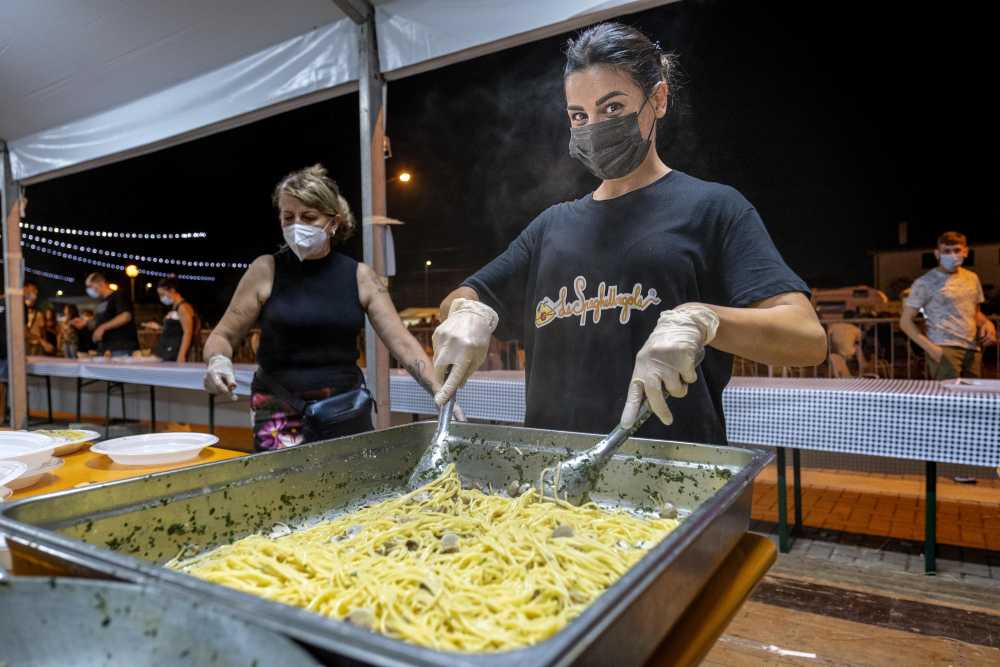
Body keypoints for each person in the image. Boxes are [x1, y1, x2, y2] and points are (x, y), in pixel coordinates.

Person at [432, 23, 826, 444]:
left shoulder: (714, 208)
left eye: (613, 108)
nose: (594, 127)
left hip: (671, 475)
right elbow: (465, 298)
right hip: (551, 479)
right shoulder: (551, 227)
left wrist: (704, 321)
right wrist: (464, 315)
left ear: (657, 100)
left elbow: (806, 339)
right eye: (579, 116)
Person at [202, 164, 447, 451]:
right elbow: (223, 336)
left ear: (333, 221)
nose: (296, 226)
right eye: (287, 217)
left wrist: (439, 392)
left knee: (352, 488)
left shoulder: (360, 277)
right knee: (284, 490)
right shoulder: (265, 270)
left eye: (308, 217)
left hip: (344, 408)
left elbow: (403, 343)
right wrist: (218, 361)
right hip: (280, 410)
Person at [900, 231, 997, 379]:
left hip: (972, 348)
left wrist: (988, 323)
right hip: (944, 347)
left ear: (965, 252)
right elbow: (905, 321)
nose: (952, 255)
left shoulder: (972, 278)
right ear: (937, 253)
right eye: (946, 251)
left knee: (973, 399)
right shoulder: (924, 283)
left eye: (957, 250)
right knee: (949, 399)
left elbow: (975, 313)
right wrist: (932, 349)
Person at [73, 272, 140, 356]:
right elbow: (99, 322)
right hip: (104, 349)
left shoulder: (118, 295)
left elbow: (126, 316)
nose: (89, 290)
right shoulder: (101, 303)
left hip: (121, 347)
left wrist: (103, 327)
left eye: (90, 286)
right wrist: (85, 323)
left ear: (101, 283)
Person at [153, 278, 199, 362]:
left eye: (163, 294)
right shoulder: (175, 308)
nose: (161, 298)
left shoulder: (183, 308)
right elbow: (175, 329)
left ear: (172, 290)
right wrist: (159, 327)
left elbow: (188, 332)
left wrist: (181, 355)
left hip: (174, 352)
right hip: (166, 350)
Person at [23, 282, 55, 355]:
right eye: (33, 290)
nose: (36, 293)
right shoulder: (20, 305)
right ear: (25, 288)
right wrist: (43, 342)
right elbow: (24, 331)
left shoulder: (38, 313)